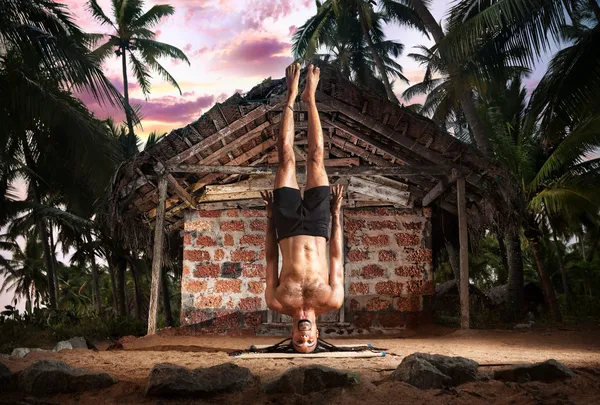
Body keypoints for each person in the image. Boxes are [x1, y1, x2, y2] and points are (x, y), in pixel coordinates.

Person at [261, 63, 344, 353]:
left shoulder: (277, 301)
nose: (304, 338)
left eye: (298, 343)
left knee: (286, 159)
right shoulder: (332, 300)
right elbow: (335, 256)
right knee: (317, 159)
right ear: (318, 335)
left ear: (291, 335)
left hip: (285, 226)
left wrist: (270, 219)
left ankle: (291, 97)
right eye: (310, 342)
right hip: (320, 225)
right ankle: (310, 99)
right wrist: (335, 216)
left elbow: (271, 259)